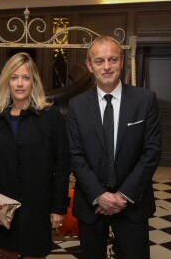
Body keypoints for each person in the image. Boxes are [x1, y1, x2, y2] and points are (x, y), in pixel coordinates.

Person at [66, 36, 161, 259]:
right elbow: (75, 155)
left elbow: (151, 152)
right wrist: (100, 195)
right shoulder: (77, 105)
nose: (106, 67)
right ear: (90, 66)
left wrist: (123, 195)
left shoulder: (145, 100)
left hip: (133, 203)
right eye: (99, 61)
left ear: (121, 61)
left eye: (112, 59)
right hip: (92, 204)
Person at [0, 52, 70, 259]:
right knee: (7, 254)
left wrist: (58, 207)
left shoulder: (51, 117)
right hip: (4, 210)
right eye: (14, 77)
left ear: (34, 82)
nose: (20, 83)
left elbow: (62, 164)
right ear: (7, 82)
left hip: (37, 210)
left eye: (26, 77)